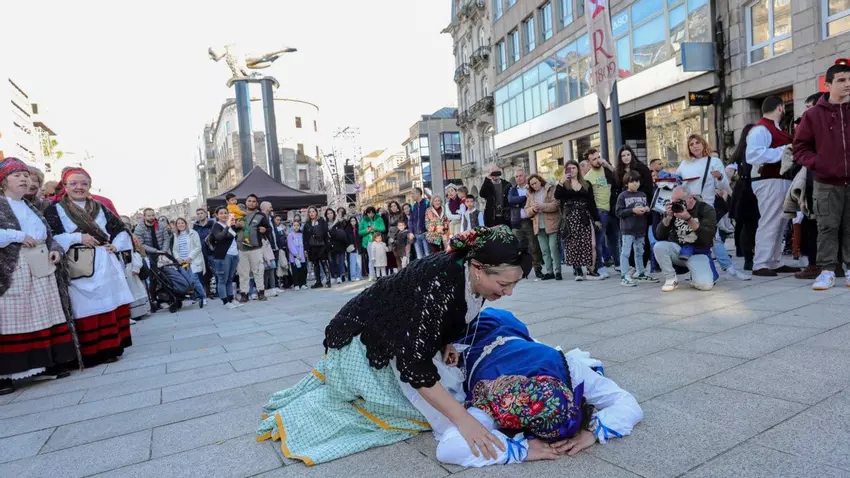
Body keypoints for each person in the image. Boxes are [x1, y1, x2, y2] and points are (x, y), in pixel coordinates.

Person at [256, 225, 531, 466]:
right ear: (478, 268)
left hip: (401, 334)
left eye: (515, 284)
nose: (509, 292)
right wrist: (464, 421)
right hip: (364, 340)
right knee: (425, 412)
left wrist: (446, 342)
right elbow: (415, 365)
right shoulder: (438, 281)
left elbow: (448, 316)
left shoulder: (470, 275)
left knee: (447, 399)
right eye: (504, 283)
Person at [434, 308, 642, 467]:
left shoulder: (568, 369)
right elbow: (449, 448)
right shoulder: (491, 401)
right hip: (487, 328)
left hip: (497, 334)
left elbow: (628, 404)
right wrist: (521, 449)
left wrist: (593, 431)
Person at [0, 158, 78, 395]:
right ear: (3, 181)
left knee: (44, 313)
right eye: (16, 175)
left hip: (41, 265)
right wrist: (16, 235)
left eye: (25, 175)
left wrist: (55, 249)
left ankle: (47, 363)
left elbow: (48, 234)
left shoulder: (30, 206)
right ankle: (6, 374)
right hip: (14, 268)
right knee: (14, 316)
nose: (24, 179)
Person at [44, 167, 134, 366]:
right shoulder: (55, 210)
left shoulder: (100, 207)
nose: (79, 187)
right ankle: (91, 353)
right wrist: (78, 237)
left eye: (84, 183)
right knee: (84, 307)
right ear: (65, 186)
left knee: (108, 304)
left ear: (90, 186)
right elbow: (50, 237)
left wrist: (116, 245)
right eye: (74, 183)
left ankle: (111, 349)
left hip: (104, 261)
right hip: (78, 264)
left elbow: (121, 229)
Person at [794, 61, 850, 290]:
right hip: (826, 182)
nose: (847, 84)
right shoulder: (813, 115)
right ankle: (827, 271)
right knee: (827, 227)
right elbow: (800, 147)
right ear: (828, 85)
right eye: (841, 80)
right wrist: (818, 164)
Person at [677, 134, 750, 281]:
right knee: (690, 238)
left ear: (703, 144)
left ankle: (728, 268)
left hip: (706, 204)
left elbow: (723, 186)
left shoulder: (714, 161)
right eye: (691, 144)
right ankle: (701, 270)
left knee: (714, 237)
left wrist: (720, 177)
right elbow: (678, 183)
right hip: (689, 205)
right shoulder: (684, 164)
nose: (695, 146)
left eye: (697, 142)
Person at [746, 96, 799, 277]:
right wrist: (785, 150)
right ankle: (761, 262)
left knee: (780, 222)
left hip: (778, 179)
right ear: (780, 108)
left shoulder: (772, 129)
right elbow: (753, 155)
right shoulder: (760, 129)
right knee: (770, 220)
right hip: (768, 180)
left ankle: (774, 260)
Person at [653, 186, 719, 292]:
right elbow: (659, 236)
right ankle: (671, 278)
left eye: (679, 201)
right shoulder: (674, 210)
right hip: (678, 250)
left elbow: (707, 239)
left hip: (698, 252)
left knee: (705, 286)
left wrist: (689, 219)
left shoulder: (706, 209)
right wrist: (668, 218)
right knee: (659, 246)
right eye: (673, 201)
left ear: (691, 198)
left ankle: (695, 276)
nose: (676, 204)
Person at [555, 160, 601, 281]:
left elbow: (591, 202)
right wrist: (561, 181)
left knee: (591, 244)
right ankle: (578, 269)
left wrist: (596, 219)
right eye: (569, 168)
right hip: (571, 217)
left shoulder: (586, 183)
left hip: (585, 215)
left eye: (574, 168)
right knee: (574, 244)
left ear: (578, 169)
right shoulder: (564, 184)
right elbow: (557, 196)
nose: (572, 170)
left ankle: (591, 270)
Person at [616, 171, 659, 286]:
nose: (635, 183)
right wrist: (632, 210)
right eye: (632, 181)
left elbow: (646, 209)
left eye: (637, 181)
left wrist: (647, 209)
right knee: (625, 253)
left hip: (640, 228)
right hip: (628, 229)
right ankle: (624, 276)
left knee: (640, 252)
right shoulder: (623, 196)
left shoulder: (642, 195)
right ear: (626, 183)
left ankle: (641, 273)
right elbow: (618, 212)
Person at [616, 146, 654, 271]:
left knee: (642, 241)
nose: (626, 157)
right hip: (627, 213)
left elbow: (649, 188)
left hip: (642, 208)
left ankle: (642, 267)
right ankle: (630, 268)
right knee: (627, 243)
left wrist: (647, 206)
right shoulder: (618, 171)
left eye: (628, 154)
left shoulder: (641, 168)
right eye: (623, 155)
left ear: (632, 155)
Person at [583, 149, 620, 276]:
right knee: (599, 242)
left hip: (612, 209)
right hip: (600, 210)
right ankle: (600, 267)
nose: (598, 160)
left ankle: (618, 264)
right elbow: (589, 199)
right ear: (589, 162)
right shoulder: (588, 177)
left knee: (614, 240)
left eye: (598, 157)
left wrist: (608, 165)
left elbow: (620, 179)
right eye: (594, 159)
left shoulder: (607, 170)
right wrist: (595, 217)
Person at [729, 124, 760, 272]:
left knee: (746, 226)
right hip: (749, 189)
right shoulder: (750, 151)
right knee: (750, 226)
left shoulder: (740, 151)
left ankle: (747, 257)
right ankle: (748, 257)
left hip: (742, 189)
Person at [234, 194, 272, 301]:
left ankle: (261, 292)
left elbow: (269, 229)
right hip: (241, 248)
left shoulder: (261, 215)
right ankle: (244, 294)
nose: (251, 203)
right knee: (243, 273)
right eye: (249, 201)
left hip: (256, 248)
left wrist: (265, 230)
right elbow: (231, 229)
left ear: (257, 203)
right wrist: (235, 226)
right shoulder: (238, 214)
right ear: (246, 202)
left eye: (253, 201)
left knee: (259, 271)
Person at [525, 174, 562, 281]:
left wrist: (542, 206)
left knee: (553, 248)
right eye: (532, 184)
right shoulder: (530, 194)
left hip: (552, 224)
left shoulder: (550, 189)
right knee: (545, 250)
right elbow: (527, 210)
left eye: (535, 183)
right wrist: (533, 209)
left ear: (540, 181)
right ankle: (550, 272)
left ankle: (558, 271)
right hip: (538, 226)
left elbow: (555, 205)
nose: (534, 185)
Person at [508, 168, 544, 278]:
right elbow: (511, 200)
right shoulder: (513, 189)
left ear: (525, 176)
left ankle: (537, 268)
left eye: (520, 176)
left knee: (533, 246)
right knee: (518, 247)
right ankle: (522, 271)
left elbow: (533, 200)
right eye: (516, 176)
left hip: (529, 221)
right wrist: (524, 198)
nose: (518, 178)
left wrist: (519, 200)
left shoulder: (530, 188)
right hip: (517, 221)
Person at [207, 206, 242, 309]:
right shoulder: (216, 226)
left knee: (230, 279)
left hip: (234, 254)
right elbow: (220, 237)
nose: (224, 215)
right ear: (217, 215)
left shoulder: (232, 225)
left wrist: (235, 225)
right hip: (223, 256)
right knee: (222, 279)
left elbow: (234, 237)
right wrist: (227, 226)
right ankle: (225, 301)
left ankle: (231, 299)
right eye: (221, 213)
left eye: (225, 213)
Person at [171, 218, 207, 307]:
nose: (180, 225)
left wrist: (190, 257)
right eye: (178, 223)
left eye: (182, 223)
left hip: (192, 260)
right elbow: (175, 250)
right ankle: (195, 297)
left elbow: (198, 247)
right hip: (182, 262)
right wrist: (178, 258)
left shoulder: (193, 233)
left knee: (194, 279)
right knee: (188, 281)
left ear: (186, 224)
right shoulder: (176, 235)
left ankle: (203, 297)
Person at [303, 206, 331, 289]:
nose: (311, 213)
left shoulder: (321, 221)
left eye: (313, 211)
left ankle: (328, 280)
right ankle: (318, 282)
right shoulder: (307, 224)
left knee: (324, 263)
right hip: (312, 247)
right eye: (310, 212)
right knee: (315, 264)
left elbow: (325, 233)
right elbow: (305, 237)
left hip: (321, 245)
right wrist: (306, 249)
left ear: (316, 212)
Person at [193, 208, 216, 297]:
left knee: (215, 272)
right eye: (198, 213)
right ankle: (207, 292)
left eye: (201, 213)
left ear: (206, 214)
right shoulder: (195, 227)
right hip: (200, 253)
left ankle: (218, 291)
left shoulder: (212, 224)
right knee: (204, 273)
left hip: (212, 252)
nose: (200, 215)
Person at [359, 206, 386, 280]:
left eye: (372, 213)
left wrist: (375, 228)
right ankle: (372, 274)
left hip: (378, 241)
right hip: (369, 241)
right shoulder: (363, 220)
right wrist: (367, 230)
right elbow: (360, 232)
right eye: (369, 213)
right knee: (371, 258)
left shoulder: (379, 218)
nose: (371, 214)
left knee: (380, 257)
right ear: (366, 213)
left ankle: (381, 274)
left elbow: (383, 228)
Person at [326, 208, 348, 284]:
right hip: (329, 246)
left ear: (333, 214)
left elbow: (341, 233)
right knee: (331, 262)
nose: (329, 215)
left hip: (339, 245)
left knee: (339, 262)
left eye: (331, 213)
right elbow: (325, 234)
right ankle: (332, 276)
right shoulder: (325, 224)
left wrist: (331, 233)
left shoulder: (338, 222)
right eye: (328, 213)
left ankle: (339, 276)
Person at [409, 188, 430, 259]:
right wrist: (411, 232)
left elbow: (431, 219)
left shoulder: (427, 203)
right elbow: (411, 220)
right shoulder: (413, 206)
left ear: (418, 193)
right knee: (419, 257)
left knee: (428, 255)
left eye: (413, 193)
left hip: (425, 234)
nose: (411, 195)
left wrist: (428, 230)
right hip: (416, 236)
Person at [384, 201, 405, 274]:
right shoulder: (389, 216)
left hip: (399, 236)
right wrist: (389, 237)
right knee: (395, 256)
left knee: (402, 256)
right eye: (391, 206)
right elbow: (388, 227)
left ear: (397, 206)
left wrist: (395, 237)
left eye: (395, 206)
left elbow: (402, 227)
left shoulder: (401, 214)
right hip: (390, 237)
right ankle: (399, 272)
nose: (393, 207)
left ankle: (404, 271)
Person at [288, 221, 308, 290]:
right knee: (295, 271)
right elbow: (290, 246)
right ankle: (296, 284)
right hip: (294, 257)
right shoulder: (290, 235)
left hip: (302, 256)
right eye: (294, 225)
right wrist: (296, 254)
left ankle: (303, 283)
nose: (296, 227)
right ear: (292, 226)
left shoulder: (301, 235)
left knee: (303, 270)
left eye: (297, 225)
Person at [344, 216, 363, 281]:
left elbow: (360, 238)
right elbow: (346, 239)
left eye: (354, 220)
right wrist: (349, 245)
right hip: (352, 248)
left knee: (359, 263)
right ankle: (353, 277)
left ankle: (358, 275)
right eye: (351, 221)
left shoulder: (358, 228)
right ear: (349, 222)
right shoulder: (347, 229)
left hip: (358, 247)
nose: (353, 222)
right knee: (352, 263)